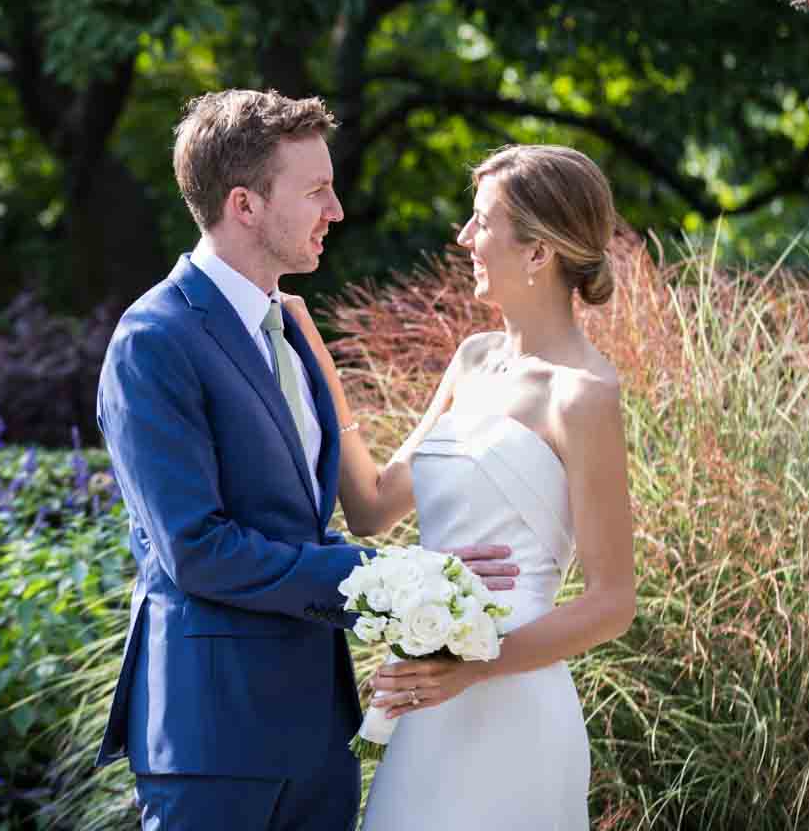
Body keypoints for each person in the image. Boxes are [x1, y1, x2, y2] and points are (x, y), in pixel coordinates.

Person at [94, 90, 517, 831]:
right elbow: (197, 549)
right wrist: (394, 580)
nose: (338, 210)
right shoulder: (154, 339)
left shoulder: (285, 327)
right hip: (212, 736)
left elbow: (301, 519)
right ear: (245, 205)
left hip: (319, 732)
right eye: (317, 190)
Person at [286, 143, 636, 830]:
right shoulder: (473, 360)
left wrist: (476, 667)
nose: (464, 238)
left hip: (514, 703)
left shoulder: (584, 395)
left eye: (482, 222)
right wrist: (316, 356)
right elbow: (373, 507)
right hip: (428, 700)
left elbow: (612, 602)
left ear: (539, 252)